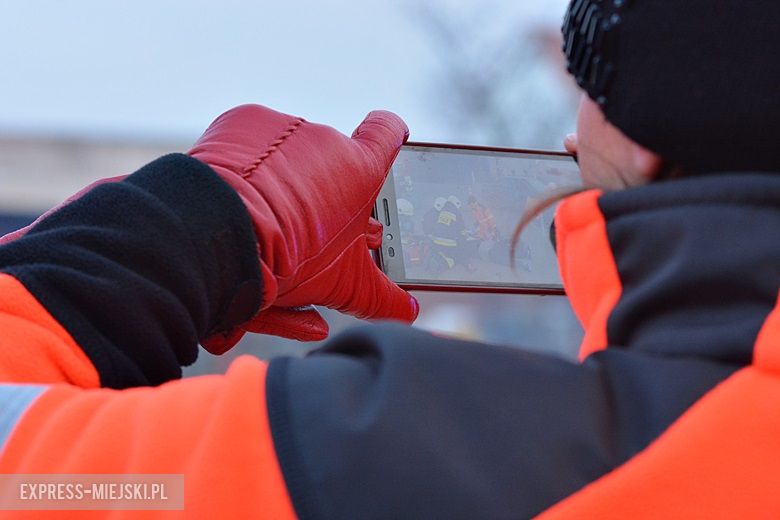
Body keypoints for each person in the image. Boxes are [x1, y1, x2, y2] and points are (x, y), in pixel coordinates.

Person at [1, 2, 779, 519]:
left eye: (592, 84)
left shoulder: (396, 448)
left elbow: (28, 483)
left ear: (649, 137)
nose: (572, 137)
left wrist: (192, 226)